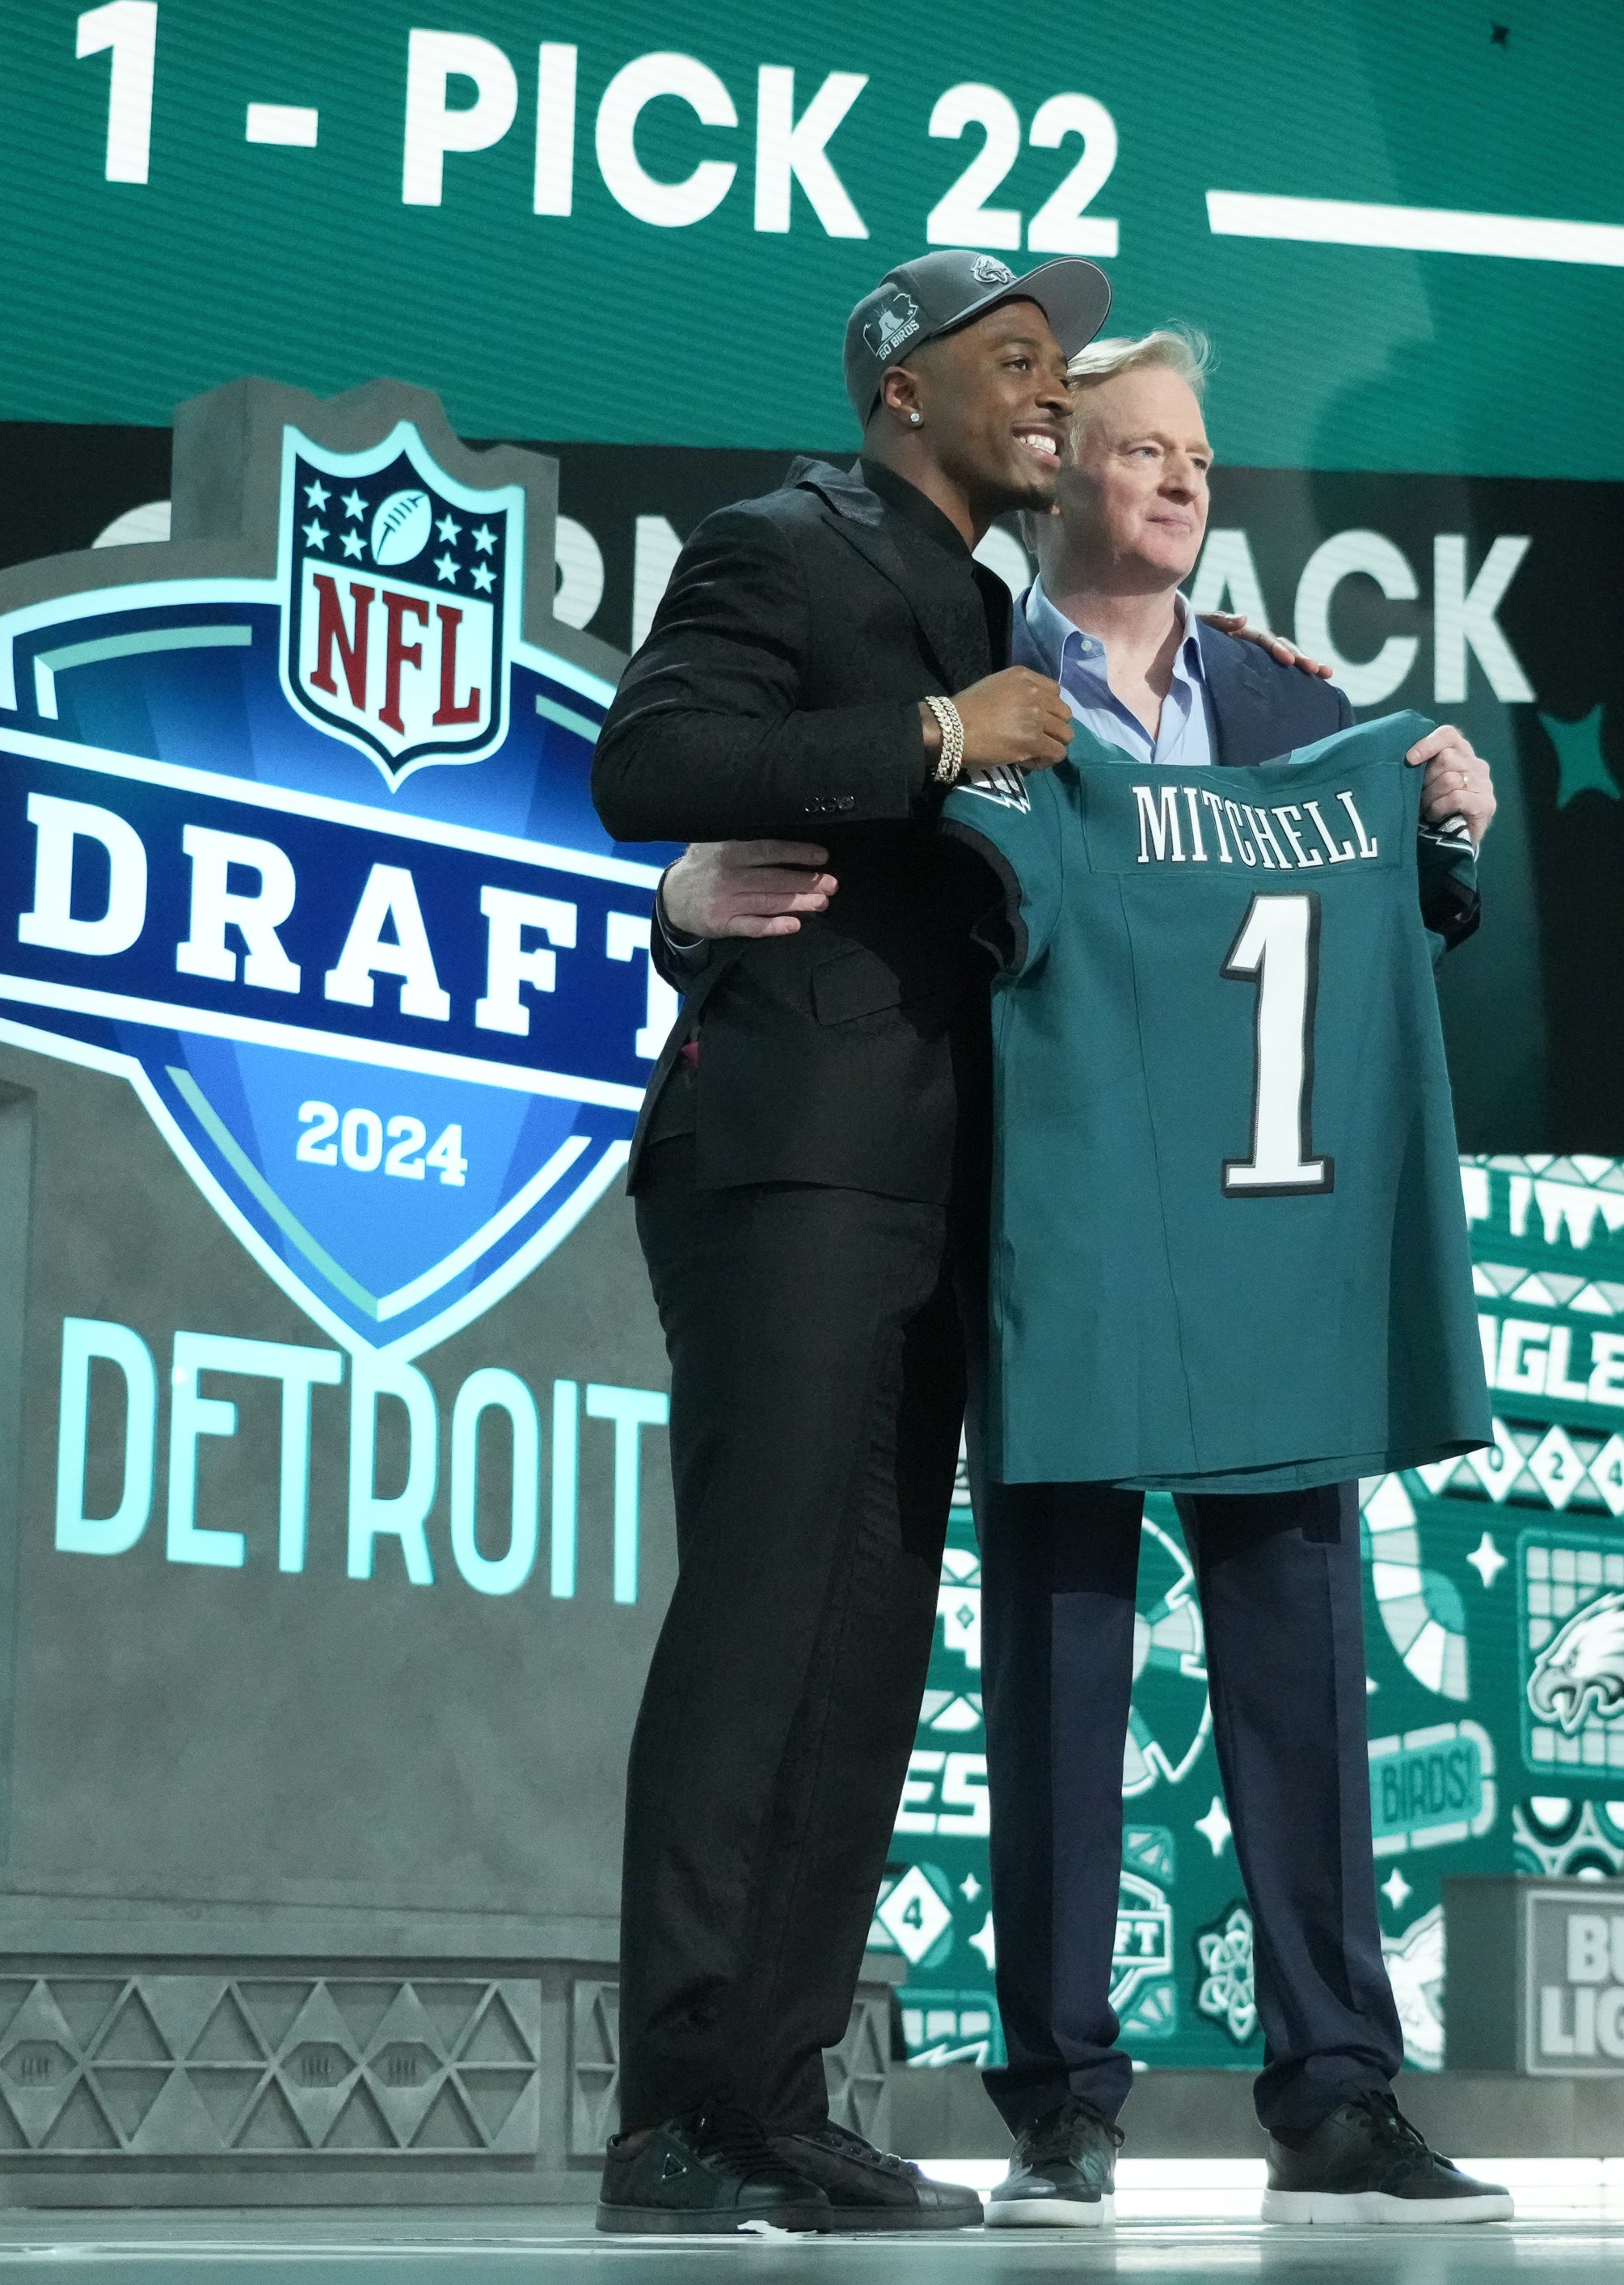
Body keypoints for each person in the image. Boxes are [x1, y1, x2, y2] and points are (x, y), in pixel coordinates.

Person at [663, 327, 1516, 2229]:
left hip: (1266, 1253)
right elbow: (830, 875)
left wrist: (1443, 814)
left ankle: (1340, 2090)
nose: (1182, 478)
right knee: (1054, 1660)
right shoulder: (973, 681)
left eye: (1201, 454)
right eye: (1140, 448)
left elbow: (1396, 919)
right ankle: (1061, 2097)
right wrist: (668, 901)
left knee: (1301, 1662)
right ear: (1066, 480)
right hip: (1054, 1247)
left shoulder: (1299, 710)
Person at [584, 247, 1103, 2235]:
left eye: (1060, 364)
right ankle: (669, 2118)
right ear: (902, 386)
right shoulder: (781, 543)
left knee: (865, 1649)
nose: (1050, 390)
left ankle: (781, 2093)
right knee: (757, 1623)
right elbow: (653, 764)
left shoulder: (991, 601)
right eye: (1018, 360)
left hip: (938, 1185)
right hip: (785, 1152)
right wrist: (930, 740)